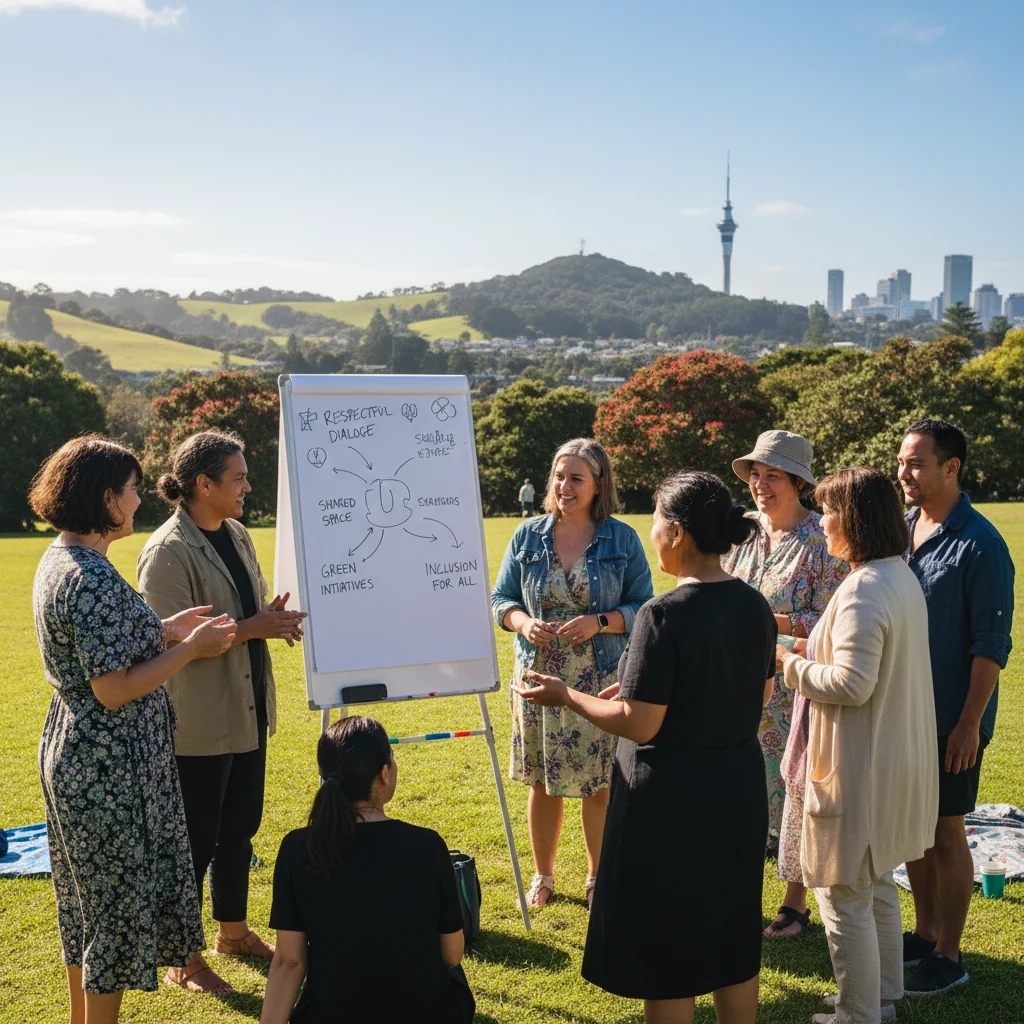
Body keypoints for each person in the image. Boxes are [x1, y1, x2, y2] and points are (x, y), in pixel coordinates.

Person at [515, 470, 776, 1024]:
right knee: (731, 932)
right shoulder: (754, 605)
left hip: (674, 801)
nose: (651, 531)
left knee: (669, 947)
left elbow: (639, 724)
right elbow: (756, 691)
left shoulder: (663, 614)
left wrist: (568, 696)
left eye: (656, 519)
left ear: (677, 533)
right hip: (737, 791)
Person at [30, 436, 237, 1024]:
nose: (139, 497)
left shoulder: (64, 557)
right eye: (131, 489)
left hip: (83, 755)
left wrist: (163, 629)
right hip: (106, 770)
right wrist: (191, 649)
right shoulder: (89, 576)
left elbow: (101, 648)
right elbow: (113, 686)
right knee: (113, 917)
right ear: (105, 499)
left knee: (87, 912)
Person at [138, 430, 308, 995]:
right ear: (202, 485)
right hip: (197, 722)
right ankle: (183, 959)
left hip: (247, 709)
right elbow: (165, 643)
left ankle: (231, 933)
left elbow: (248, 609)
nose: (246, 486)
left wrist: (271, 619)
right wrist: (253, 628)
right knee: (195, 841)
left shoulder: (236, 533)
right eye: (236, 477)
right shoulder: (166, 551)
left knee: (240, 830)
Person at [778, 467, 939, 1024]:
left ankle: (858, 1012)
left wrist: (790, 665)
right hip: (890, 758)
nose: (821, 521)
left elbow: (851, 684)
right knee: (875, 887)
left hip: (858, 764)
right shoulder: (897, 574)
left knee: (842, 891)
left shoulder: (864, 587)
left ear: (853, 518)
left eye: (827, 510)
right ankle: (883, 999)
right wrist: (805, 645)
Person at [492, 438, 653, 910]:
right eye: (560, 476)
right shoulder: (527, 536)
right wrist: (523, 622)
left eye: (576, 478)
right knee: (542, 783)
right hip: (538, 678)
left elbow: (644, 605)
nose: (565, 486)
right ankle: (543, 877)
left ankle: (597, 878)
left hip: (597, 678)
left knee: (598, 785)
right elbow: (501, 600)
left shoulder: (621, 539)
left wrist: (599, 621)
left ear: (599, 484)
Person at [897, 420, 1015, 997]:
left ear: (952, 468)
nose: (905, 473)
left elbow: (989, 648)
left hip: (951, 721)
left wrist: (968, 724)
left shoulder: (982, 544)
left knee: (946, 831)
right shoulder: (901, 531)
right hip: (902, 714)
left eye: (916, 463)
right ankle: (922, 933)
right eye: (902, 461)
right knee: (913, 833)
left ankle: (949, 953)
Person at [260, 716, 474, 1024]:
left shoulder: (297, 848)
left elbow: (290, 962)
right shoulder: (427, 845)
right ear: (384, 774)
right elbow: (452, 954)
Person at [724, 429, 849, 939]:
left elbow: (833, 622)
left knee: (794, 790)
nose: (759, 484)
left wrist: (767, 619)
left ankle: (794, 905)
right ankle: (737, 897)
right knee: (742, 793)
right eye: (755, 474)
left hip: (796, 692)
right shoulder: (745, 532)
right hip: (737, 689)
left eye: (771, 475)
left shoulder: (824, 539)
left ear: (798, 481)